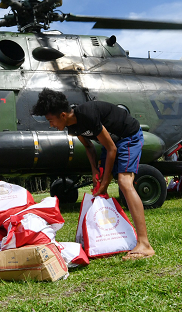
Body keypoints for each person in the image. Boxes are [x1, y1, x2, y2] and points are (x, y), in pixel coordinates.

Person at [32, 88, 155, 260]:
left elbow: (112, 148)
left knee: (124, 182)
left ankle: (144, 244)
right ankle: (109, 236)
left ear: (62, 115)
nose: (51, 125)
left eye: (51, 120)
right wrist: (95, 171)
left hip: (128, 136)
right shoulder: (72, 127)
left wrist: (106, 181)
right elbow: (90, 147)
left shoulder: (87, 115)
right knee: (99, 186)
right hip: (111, 143)